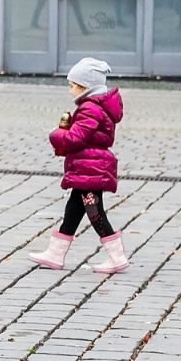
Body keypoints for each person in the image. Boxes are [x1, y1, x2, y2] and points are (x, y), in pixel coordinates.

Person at [28, 57, 129, 274]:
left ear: (85, 87)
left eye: (72, 85)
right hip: (88, 166)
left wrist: (57, 134)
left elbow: (76, 138)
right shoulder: (95, 106)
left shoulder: (90, 108)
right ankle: (55, 253)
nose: (70, 90)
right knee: (73, 209)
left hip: (90, 167)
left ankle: (116, 256)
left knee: (94, 211)